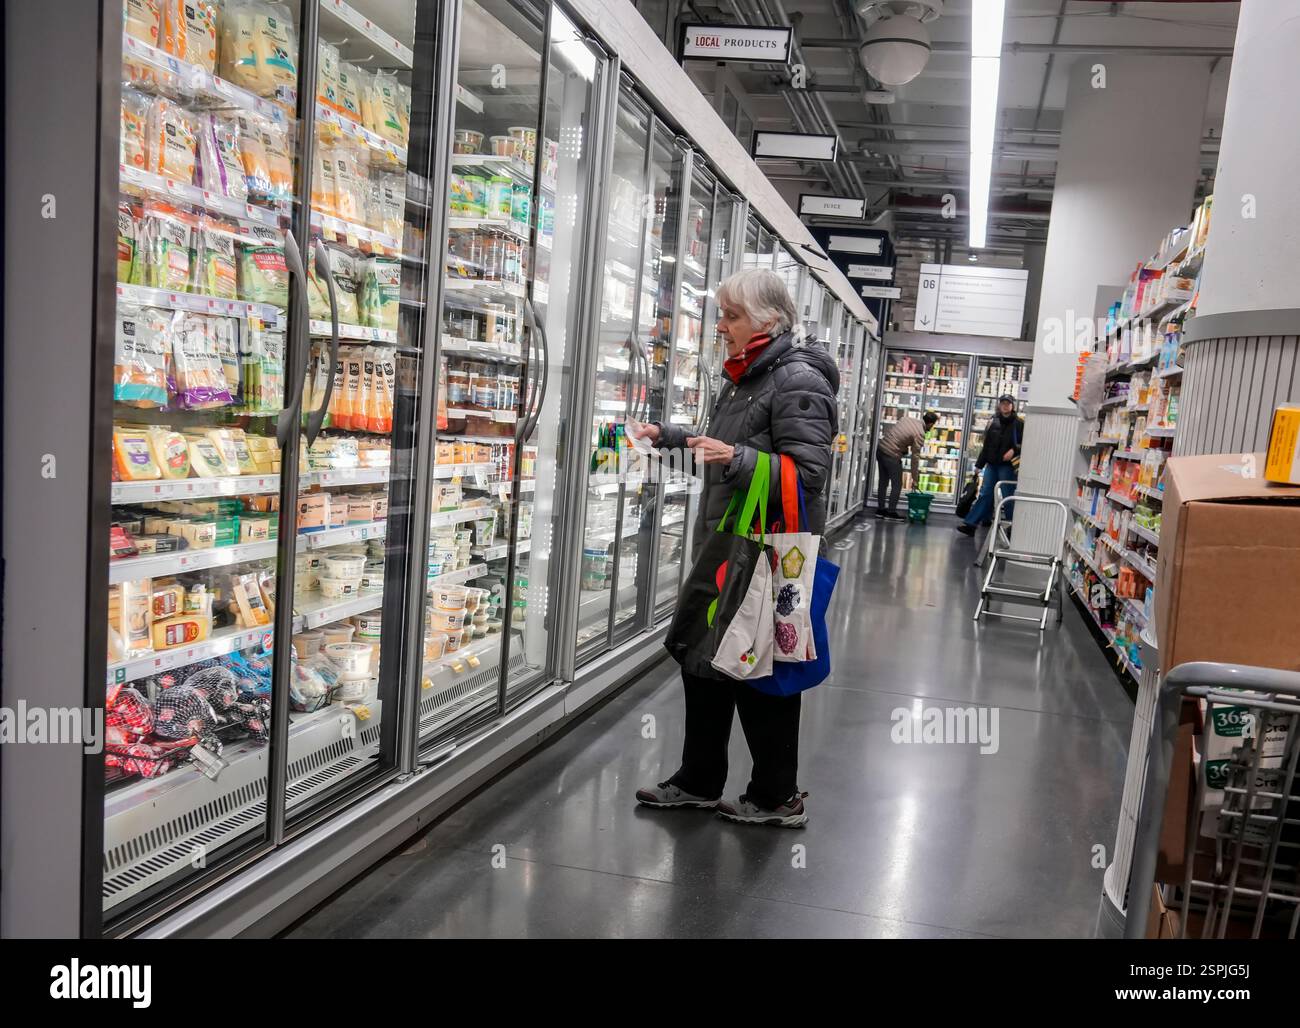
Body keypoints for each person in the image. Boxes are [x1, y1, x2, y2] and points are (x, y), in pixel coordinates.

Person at [630, 268, 838, 828]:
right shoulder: (748, 375)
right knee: (703, 657)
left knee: (758, 669)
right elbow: (722, 445)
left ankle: (777, 797)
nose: (719, 326)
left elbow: (811, 472)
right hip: (729, 542)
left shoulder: (797, 381)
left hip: (766, 552)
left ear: (766, 321)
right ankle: (699, 780)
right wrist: (667, 437)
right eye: (721, 313)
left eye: (730, 315)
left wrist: (738, 460)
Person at [957, 396, 1023, 536]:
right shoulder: (993, 421)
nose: (1005, 406)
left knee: (1008, 496)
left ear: (1013, 406)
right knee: (985, 493)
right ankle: (971, 524)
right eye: (1003, 403)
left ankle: (1013, 527)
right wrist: (979, 465)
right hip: (992, 465)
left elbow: (1025, 443)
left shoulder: (1018, 423)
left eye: (1008, 404)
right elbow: (986, 445)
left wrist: (1014, 450)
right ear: (999, 405)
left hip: (1007, 466)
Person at [875, 411, 938, 519]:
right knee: (897, 484)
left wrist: (903, 449)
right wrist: (915, 478)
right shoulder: (920, 433)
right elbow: (915, 458)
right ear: (931, 424)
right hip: (892, 455)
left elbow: (898, 436)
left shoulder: (906, 419)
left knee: (883, 482)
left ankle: (880, 510)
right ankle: (891, 512)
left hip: (881, 449)